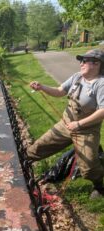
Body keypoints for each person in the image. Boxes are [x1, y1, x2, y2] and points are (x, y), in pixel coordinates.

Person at [28, 49, 104, 199]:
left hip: (86, 131)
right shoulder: (77, 77)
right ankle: (20, 168)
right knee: (37, 148)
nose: (81, 63)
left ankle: (99, 185)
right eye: (81, 60)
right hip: (65, 124)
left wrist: (79, 124)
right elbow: (59, 91)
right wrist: (42, 87)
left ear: (97, 64)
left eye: (85, 60)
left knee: (88, 169)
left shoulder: (101, 84)